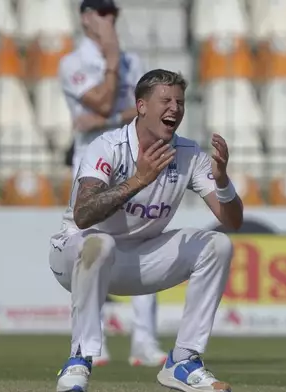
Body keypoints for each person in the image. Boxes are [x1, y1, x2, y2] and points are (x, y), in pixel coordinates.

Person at [49, 69, 242, 392]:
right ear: (141, 106)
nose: (175, 109)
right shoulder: (107, 146)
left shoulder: (188, 154)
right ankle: (79, 358)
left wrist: (222, 182)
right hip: (76, 255)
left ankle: (183, 360)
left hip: (137, 261)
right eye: (165, 101)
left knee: (218, 245)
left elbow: (232, 220)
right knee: (99, 243)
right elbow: (83, 215)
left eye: (180, 102)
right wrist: (138, 179)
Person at [58, 0, 166, 367]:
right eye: (102, 13)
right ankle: (91, 342)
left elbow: (125, 112)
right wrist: (111, 62)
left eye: (113, 14)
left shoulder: (133, 61)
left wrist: (104, 117)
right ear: (86, 18)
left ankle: (144, 343)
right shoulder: (72, 63)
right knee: (92, 248)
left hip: (132, 157)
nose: (110, 20)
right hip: (92, 163)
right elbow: (103, 100)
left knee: (145, 241)